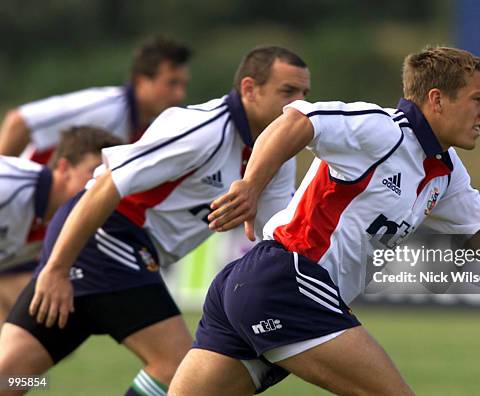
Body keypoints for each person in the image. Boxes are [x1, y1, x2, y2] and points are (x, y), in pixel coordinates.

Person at [169, 47, 480, 395]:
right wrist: (252, 186)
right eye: (477, 99)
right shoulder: (383, 129)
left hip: (257, 286)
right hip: (288, 279)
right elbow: (296, 121)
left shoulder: (445, 171)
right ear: (437, 99)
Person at [0, 46, 310, 396]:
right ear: (250, 89)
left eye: (304, 94)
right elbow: (105, 184)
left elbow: (276, 236)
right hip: (109, 239)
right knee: (178, 367)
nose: (297, 104)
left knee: (11, 375)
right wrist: (57, 268)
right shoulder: (202, 129)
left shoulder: (277, 154)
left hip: (107, 251)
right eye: (287, 92)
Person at [0, 36, 191, 164]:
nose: (179, 95)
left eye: (183, 85)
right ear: (140, 81)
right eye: (171, 83)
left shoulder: (152, 128)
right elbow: (19, 121)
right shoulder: (105, 107)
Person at [0, 127, 122, 323]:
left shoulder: (64, 222)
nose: (102, 184)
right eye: (94, 172)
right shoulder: (9, 185)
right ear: (64, 168)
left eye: (107, 176)